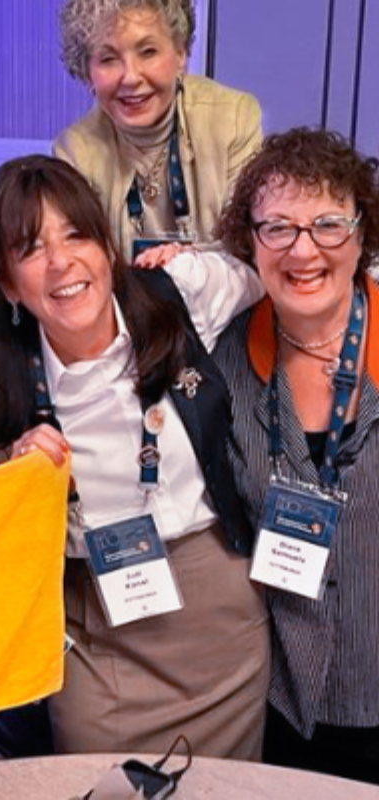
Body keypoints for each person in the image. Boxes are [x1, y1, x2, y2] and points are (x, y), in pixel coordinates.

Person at [0, 154, 268, 759]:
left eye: (77, 234)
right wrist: (15, 465)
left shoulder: (179, 293)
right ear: (7, 285)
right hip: (94, 623)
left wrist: (194, 252)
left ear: (108, 244)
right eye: (30, 249)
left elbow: (279, 271)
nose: (61, 262)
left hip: (218, 614)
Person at [213, 127, 379, 784]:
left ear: (362, 236)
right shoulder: (223, 364)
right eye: (277, 227)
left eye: (328, 224)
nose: (303, 249)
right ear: (249, 243)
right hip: (280, 705)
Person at [55, 0, 261, 260]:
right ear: (87, 73)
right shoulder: (75, 152)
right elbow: (85, 262)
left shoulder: (232, 118)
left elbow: (247, 247)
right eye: (108, 59)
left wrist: (188, 262)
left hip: (221, 297)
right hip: (123, 299)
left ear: (181, 54)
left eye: (148, 52)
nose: (130, 77)